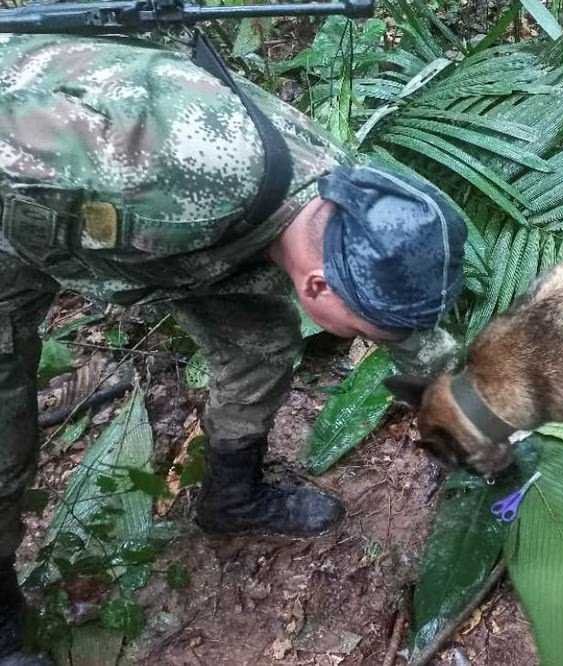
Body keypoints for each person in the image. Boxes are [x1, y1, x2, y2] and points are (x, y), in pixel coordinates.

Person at [0, 33, 466, 665]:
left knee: (260, 345)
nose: (368, 340)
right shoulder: (169, 182)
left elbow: (404, 325)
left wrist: (469, 408)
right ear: (317, 285)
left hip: (165, 235)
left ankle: (231, 499)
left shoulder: (345, 204)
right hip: (21, 203)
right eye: (363, 331)